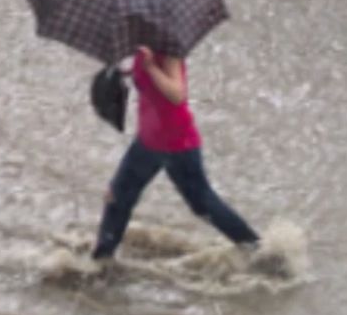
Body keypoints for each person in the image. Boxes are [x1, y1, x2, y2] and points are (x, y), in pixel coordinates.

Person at [93, 46, 283, 275]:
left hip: (176, 144)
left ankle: (257, 251)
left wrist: (151, 68)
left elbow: (177, 93)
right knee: (118, 196)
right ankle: (101, 261)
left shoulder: (169, 49)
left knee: (201, 203)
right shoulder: (142, 48)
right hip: (147, 141)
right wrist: (122, 75)